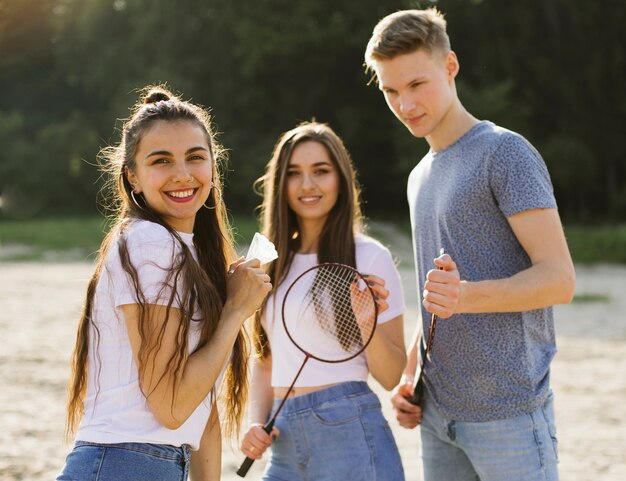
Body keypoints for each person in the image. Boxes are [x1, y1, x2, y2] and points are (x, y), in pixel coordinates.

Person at [364, 8, 576, 481]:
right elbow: (437, 298)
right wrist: (410, 375)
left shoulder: (505, 152)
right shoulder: (419, 176)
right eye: (391, 91)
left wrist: (469, 297)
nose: (404, 104)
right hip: (436, 417)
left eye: (417, 84)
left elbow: (560, 280)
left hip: (509, 416)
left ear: (450, 66)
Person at [57, 86, 272, 481]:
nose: (182, 175)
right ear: (133, 178)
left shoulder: (192, 255)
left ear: (213, 167)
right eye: (161, 161)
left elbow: (200, 408)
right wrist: (235, 312)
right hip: (125, 464)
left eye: (195, 157)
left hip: (152, 465)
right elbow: (170, 407)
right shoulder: (150, 243)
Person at [239, 121, 408, 480]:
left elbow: (391, 375)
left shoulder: (370, 257)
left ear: (341, 180)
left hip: (349, 432)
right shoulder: (266, 257)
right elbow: (265, 359)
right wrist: (256, 421)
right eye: (294, 173)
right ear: (280, 183)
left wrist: (367, 324)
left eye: (321, 171)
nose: (308, 185)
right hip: (283, 438)